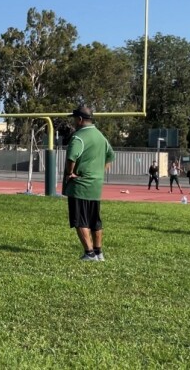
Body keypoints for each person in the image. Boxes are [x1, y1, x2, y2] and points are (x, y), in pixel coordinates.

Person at [63, 106, 114, 262]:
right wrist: (99, 172)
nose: (74, 122)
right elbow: (110, 156)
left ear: (79, 119)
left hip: (80, 185)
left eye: (74, 119)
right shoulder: (101, 137)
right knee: (95, 220)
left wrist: (70, 173)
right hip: (95, 185)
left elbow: (72, 157)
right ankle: (99, 252)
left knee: (80, 220)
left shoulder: (78, 137)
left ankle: (89, 253)